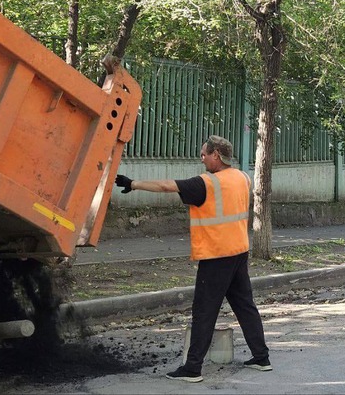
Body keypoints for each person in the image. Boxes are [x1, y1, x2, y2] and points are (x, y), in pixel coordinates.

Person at [115, 135, 271, 383]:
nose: (202, 158)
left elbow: (167, 186)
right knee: (245, 306)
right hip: (239, 252)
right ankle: (261, 358)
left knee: (204, 312)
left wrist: (133, 183)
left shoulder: (206, 183)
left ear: (216, 155)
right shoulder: (243, 177)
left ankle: (193, 368)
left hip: (216, 256)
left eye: (204, 154)